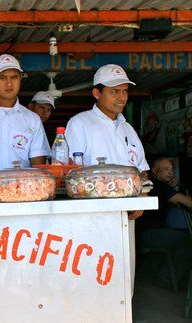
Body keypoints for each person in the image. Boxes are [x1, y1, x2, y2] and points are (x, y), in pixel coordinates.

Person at [65, 64, 149, 220]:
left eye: (125, 91)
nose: (122, 97)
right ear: (97, 93)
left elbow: (141, 168)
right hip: (91, 211)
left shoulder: (127, 128)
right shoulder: (80, 123)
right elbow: (71, 170)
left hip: (126, 212)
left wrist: (142, 197)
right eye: (115, 91)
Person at [136, 157, 192, 287]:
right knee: (187, 240)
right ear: (154, 171)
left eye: (171, 169)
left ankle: (169, 276)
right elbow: (187, 202)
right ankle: (166, 278)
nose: (170, 172)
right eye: (166, 169)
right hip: (147, 234)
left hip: (147, 232)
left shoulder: (156, 185)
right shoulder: (159, 186)